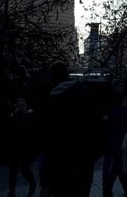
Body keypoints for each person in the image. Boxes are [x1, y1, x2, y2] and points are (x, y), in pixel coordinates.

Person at [42, 61, 104, 197]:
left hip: (62, 167)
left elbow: (50, 142)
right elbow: (97, 128)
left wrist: (46, 178)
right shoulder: (85, 95)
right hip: (85, 165)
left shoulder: (54, 102)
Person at [102, 81, 127, 197]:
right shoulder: (123, 113)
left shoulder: (110, 109)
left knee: (113, 168)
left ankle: (107, 190)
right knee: (118, 168)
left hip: (110, 142)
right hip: (119, 143)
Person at [7, 97, 36, 197]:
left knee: (23, 169)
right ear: (17, 106)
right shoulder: (15, 116)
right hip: (16, 148)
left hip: (24, 148)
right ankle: (12, 191)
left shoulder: (28, 116)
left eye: (23, 105)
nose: (22, 107)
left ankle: (31, 183)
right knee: (13, 171)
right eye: (20, 105)